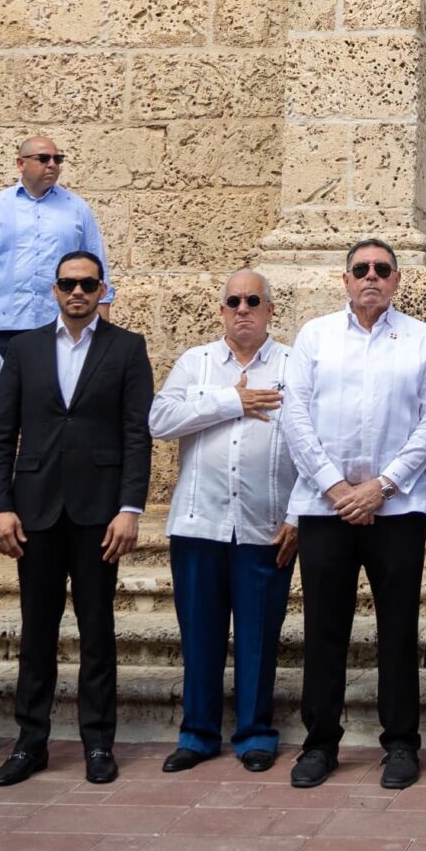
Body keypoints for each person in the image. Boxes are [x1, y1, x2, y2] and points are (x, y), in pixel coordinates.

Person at [279, 239, 426, 790]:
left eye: (382, 269)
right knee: (325, 627)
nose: (371, 276)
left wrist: (381, 487)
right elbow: (296, 416)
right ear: (345, 279)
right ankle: (320, 743)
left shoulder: (421, 339)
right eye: (361, 269)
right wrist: (336, 488)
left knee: (397, 629)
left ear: (397, 280)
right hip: (324, 507)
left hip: (397, 507)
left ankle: (401, 744)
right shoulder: (315, 336)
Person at [0, 250, 151, 786]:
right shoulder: (25, 349)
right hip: (36, 511)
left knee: (97, 630)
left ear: (103, 290)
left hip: (100, 514)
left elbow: (135, 435)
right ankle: (30, 743)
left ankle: (98, 743)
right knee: (37, 634)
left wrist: (130, 509)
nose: (77, 292)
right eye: (68, 284)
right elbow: (1, 433)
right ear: (54, 290)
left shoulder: (127, 348)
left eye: (87, 284)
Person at [149, 270, 299, 774]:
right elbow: (160, 420)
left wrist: (298, 516)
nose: (242, 309)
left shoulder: (293, 366)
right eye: (233, 301)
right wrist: (230, 401)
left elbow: (312, 444)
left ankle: (256, 732)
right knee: (199, 635)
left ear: (270, 309)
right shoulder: (196, 363)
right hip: (198, 524)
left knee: (259, 635)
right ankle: (198, 733)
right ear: (220, 310)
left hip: (264, 525)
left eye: (253, 300)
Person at [0, 136, 111, 348]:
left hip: (56, 325)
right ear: (21, 164)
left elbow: (96, 265)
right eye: (43, 158)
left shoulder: (77, 209)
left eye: (58, 159)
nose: (52, 164)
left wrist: (102, 321)